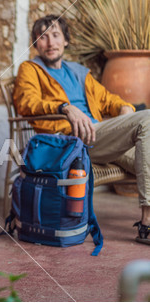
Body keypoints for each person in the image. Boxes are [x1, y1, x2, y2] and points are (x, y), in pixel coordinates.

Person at [13, 14, 150, 245]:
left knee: (142, 125)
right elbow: (27, 103)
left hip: (100, 137)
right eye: (43, 38)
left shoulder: (79, 73)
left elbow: (109, 100)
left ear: (66, 40)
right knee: (147, 118)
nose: (50, 43)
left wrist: (125, 110)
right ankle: (147, 223)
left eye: (55, 35)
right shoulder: (30, 69)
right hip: (70, 143)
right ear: (36, 44)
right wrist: (64, 107)